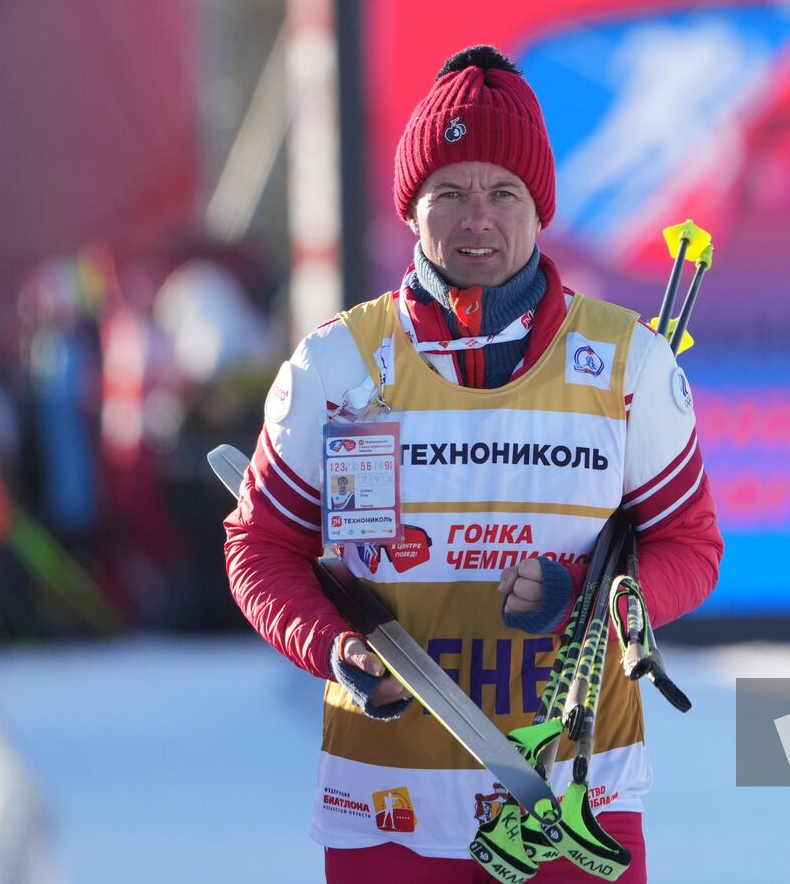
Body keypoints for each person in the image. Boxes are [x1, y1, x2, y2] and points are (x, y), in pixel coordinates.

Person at [223, 45, 722, 883]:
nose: (475, 218)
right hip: (386, 811)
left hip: (571, 806)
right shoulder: (337, 364)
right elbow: (260, 547)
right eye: (447, 193)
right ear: (410, 210)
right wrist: (335, 645)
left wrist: (589, 597)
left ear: (541, 208)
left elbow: (689, 548)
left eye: (502, 193)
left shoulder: (629, 362)